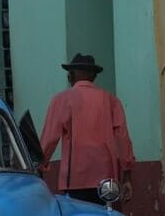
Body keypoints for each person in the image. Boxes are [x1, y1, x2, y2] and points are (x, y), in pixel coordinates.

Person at [40, 53, 134, 205]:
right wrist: (127, 175)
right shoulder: (111, 100)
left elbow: (49, 139)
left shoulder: (62, 100)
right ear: (94, 76)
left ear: (74, 74)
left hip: (75, 179)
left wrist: (39, 166)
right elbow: (122, 138)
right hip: (107, 181)